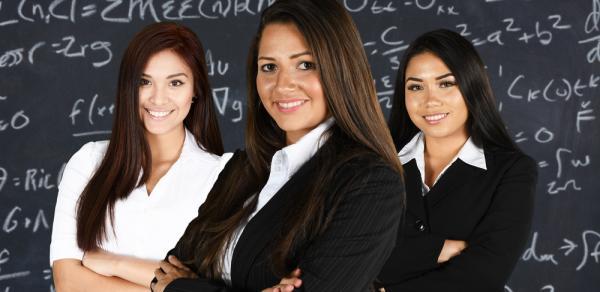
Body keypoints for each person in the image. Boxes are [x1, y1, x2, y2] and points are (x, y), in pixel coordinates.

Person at [149, 0, 405, 291]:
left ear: (341, 69)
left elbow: (171, 283)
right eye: (269, 67)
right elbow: (171, 266)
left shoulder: (370, 183)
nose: (282, 85)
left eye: (305, 65)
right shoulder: (243, 167)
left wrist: (182, 288)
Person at [50, 22, 231, 292]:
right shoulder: (88, 163)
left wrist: (115, 264)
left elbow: (213, 286)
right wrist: (172, 287)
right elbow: (67, 281)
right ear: (128, 87)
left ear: (195, 90)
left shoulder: (222, 175)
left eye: (175, 83)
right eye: (144, 82)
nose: (158, 99)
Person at [376, 29, 538, 291]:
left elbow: (485, 275)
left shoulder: (512, 171)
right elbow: (355, 254)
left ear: (471, 85)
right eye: (416, 87)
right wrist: (440, 249)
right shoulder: (377, 163)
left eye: (446, 83)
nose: (430, 101)